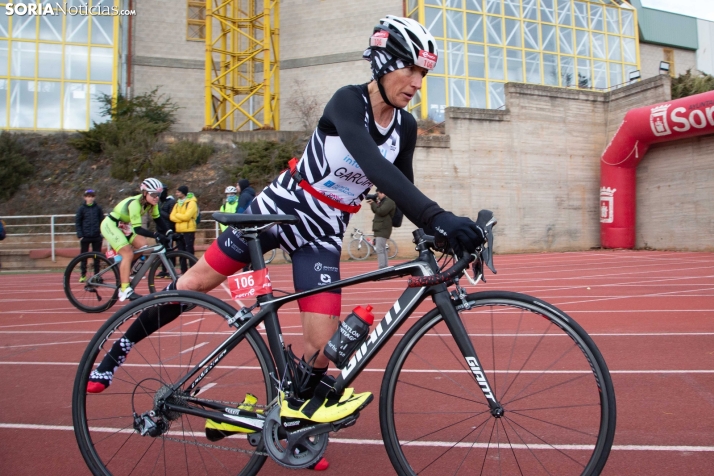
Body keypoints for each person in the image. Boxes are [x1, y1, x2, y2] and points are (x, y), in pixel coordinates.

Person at [86, 16, 485, 471]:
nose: (416, 83)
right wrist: (439, 216)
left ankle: (284, 423)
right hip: (276, 212)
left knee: (322, 349)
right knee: (194, 284)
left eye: (424, 74)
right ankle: (118, 348)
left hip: (323, 230)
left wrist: (435, 230)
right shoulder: (348, 101)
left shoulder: (405, 127)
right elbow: (374, 166)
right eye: (410, 69)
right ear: (382, 63)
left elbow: (400, 185)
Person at [99, 178, 173, 301]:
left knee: (143, 245)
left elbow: (158, 219)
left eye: (158, 194)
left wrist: (169, 232)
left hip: (123, 225)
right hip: (111, 225)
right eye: (153, 194)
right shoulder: (135, 204)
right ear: (145, 193)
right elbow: (138, 229)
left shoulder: (152, 203)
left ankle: (124, 264)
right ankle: (124, 289)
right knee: (127, 253)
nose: (156, 197)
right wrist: (156, 235)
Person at [75, 189, 104, 282]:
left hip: (96, 236)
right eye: (88, 196)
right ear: (85, 197)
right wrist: (80, 235)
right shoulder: (81, 209)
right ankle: (83, 275)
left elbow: (102, 221)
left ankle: (96, 275)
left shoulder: (98, 208)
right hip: (85, 236)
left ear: (94, 197)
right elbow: (78, 222)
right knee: (84, 256)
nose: (90, 198)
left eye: (92, 196)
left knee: (96, 256)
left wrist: (102, 233)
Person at [170, 185, 198, 273]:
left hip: (189, 230)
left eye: (178, 192)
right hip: (179, 231)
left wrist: (177, 215)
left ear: (183, 193)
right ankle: (183, 270)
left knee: (189, 251)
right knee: (181, 252)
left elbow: (187, 216)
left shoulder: (191, 203)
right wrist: (181, 218)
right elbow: (171, 217)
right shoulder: (177, 204)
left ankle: (193, 270)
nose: (176, 193)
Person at [369, 189, 395, 269]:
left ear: (383, 193)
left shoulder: (389, 201)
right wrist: (373, 203)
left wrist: (373, 203)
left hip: (383, 228)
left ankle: (382, 267)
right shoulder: (383, 201)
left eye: (378, 194)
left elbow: (381, 211)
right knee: (382, 249)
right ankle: (385, 267)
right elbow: (376, 211)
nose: (377, 196)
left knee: (380, 249)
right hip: (381, 228)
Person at [156, 185, 177, 279]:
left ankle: (171, 270)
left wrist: (160, 211)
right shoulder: (159, 203)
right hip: (160, 229)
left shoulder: (171, 202)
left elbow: (171, 216)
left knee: (169, 249)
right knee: (161, 251)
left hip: (168, 228)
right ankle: (164, 270)